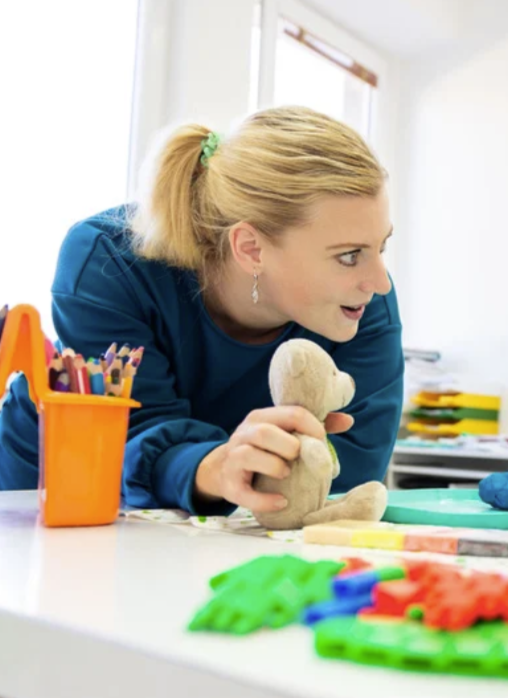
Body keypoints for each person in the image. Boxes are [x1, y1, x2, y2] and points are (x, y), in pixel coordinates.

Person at [0, 106, 404, 517]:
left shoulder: (362, 303)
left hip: (217, 515)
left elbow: (350, 474)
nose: (381, 283)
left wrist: (258, 474)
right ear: (251, 248)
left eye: (381, 246)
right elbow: (133, 435)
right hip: (53, 488)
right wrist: (221, 466)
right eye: (350, 255)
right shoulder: (108, 263)